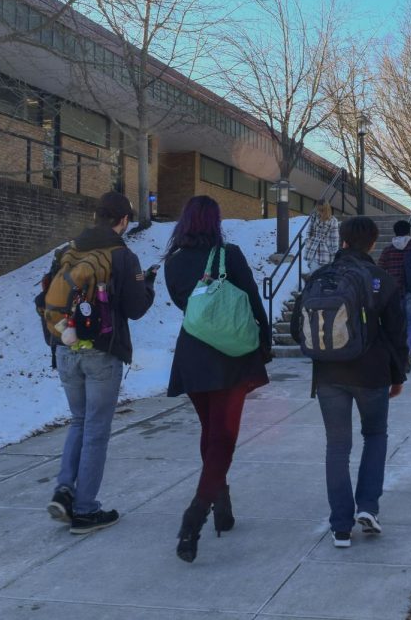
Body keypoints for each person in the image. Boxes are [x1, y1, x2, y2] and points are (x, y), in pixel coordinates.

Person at [164, 196, 272, 563]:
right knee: (223, 439)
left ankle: (221, 506)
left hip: (193, 356)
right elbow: (253, 301)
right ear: (215, 221)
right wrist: (265, 338)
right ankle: (195, 514)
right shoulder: (231, 255)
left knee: (211, 433)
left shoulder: (174, 263)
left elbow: (187, 307)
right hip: (230, 356)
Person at [291, 216, 408, 549]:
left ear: (342, 241)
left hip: (329, 375)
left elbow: (298, 331)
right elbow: (397, 334)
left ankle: (340, 526)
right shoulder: (381, 280)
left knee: (337, 447)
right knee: (375, 435)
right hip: (372, 374)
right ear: (372, 243)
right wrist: (398, 375)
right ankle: (368, 507)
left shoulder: (318, 277)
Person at [48, 192, 156, 534]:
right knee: (96, 429)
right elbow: (136, 309)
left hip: (65, 347)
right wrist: (149, 286)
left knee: (79, 421)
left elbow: (47, 298)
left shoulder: (68, 251)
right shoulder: (123, 256)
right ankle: (84, 509)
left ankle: (65, 489)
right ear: (123, 221)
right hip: (103, 353)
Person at [377, 219, 411, 356]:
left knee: (398, 325)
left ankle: (398, 354)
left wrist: (378, 291)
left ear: (395, 232)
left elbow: (379, 271)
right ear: (409, 231)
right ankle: (407, 353)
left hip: (395, 293)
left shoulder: (388, 250)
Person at [302, 200, 340, 274]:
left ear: (326, 209)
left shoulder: (333, 221)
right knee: (313, 274)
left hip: (325, 251)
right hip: (312, 249)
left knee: (323, 275)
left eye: (322, 210)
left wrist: (334, 254)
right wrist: (308, 240)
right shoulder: (314, 217)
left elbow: (334, 239)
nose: (319, 212)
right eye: (318, 209)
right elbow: (309, 230)